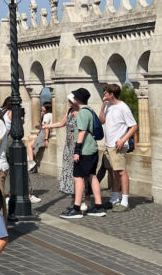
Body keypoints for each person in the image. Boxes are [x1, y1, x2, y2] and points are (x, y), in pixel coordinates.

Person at [59, 88, 106, 219]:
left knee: (78, 177)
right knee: (92, 176)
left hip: (85, 150)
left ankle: (77, 208)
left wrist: (77, 151)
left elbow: (82, 132)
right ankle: (98, 206)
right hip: (92, 149)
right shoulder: (89, 110)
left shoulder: (82, 113)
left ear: (77, 99)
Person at [98, 83, 138, 212]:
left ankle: (125, 201)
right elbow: (101, 121)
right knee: (113, 172)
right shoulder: (108, 105)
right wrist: (103, 106)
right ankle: (114, 198)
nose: (104, 94)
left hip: (118, 145)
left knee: (121, 171)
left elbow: (133, 126)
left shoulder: (123, 108)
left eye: (106, 93)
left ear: (112, 94)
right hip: (108, 144)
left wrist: (123, 140)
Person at [45, 101, 79, 195]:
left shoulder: (82, 112)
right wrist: (47, 126)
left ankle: (79, 190)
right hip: (68, 143)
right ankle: (70, 187)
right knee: (68, 165)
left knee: (76, 167)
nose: (68, 102)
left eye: (70, 100)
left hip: (77, 143)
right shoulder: (70, 111)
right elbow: (61, 123)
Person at [27, 102, 53, 172]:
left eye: (43, 107)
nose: (42, 107)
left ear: (47, 108)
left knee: (29, 145)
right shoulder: (51, 114)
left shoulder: (46, 115)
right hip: (43, 133)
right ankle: (30, 159)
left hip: (43, 135)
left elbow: (47, 128)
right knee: (30, 137)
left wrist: (46, 139)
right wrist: (39, 127)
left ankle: (31, 162)